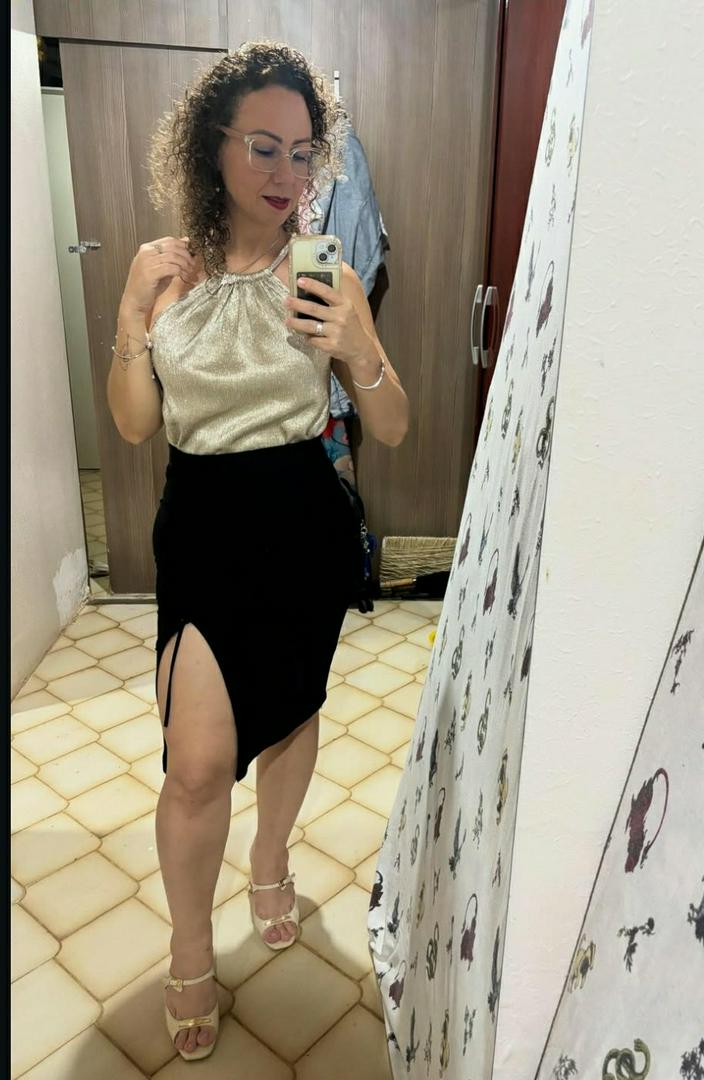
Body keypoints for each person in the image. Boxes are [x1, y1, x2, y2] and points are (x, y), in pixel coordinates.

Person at [107, 42, 409, 1062]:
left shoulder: (321, 268)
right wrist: (129, 315)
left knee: (289, 712)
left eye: (303, 150)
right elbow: (137, 424)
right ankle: (190, 947)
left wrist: (358, 347)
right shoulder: (166, 271)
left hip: (300, 519)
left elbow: (393, 426)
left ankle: (270, 858)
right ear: (213, 145)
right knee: (195, 766)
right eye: (264, 147)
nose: (287, 172)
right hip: (202, 524)